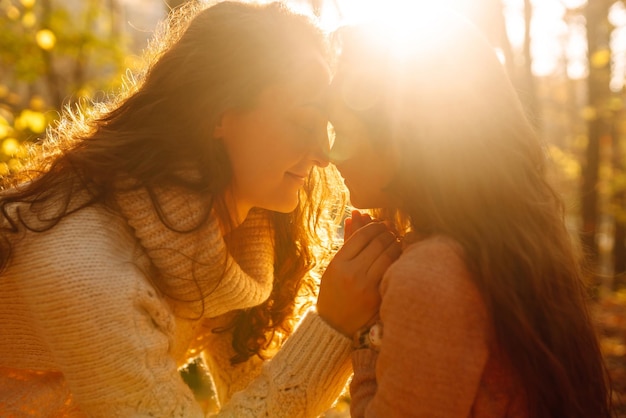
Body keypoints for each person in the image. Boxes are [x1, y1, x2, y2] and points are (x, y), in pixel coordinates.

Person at [0, 1, 400, 416]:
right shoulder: (85, 269)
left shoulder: (239, 231)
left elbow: (253, 390)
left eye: (327, 127)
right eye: (303, 122)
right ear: (216, 113)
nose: (323, 154)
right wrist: (331, 327)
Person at [328, 7, 613, 418]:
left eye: (343, 131)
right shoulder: (506, 245)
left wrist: (363, 331)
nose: (329, 155)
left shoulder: (429, 276)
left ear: (401, 139)